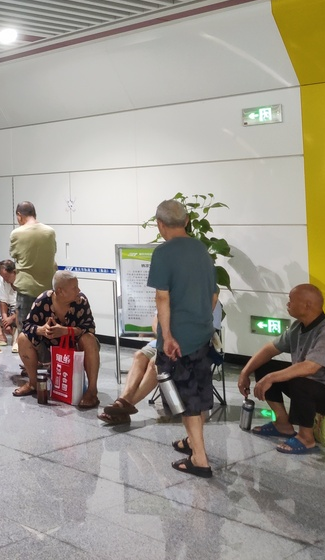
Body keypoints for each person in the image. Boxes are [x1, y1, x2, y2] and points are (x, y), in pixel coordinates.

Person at [237, 283, 325, 455]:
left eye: (291, 300)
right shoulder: (297, 327)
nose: (287, 304)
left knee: (299, 380)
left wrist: (271, 378)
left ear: (307, 305)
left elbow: (310, 368)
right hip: (314, 386)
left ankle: (306, 439)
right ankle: (283, 424)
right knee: (266, 366)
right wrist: (245, 372)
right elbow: (269, 349)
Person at [147, 198, 218, 478]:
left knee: (187, 398)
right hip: (202, 334)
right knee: (200, 392)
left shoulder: (163, 254)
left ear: (160, 224)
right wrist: (201, 321)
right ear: (187, 221)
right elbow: (214, 295)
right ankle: (191, 442)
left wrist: (168, 336)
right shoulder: (202, 250)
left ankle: (200, 459)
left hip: (179, 340)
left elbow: (162, 297)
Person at [14, 270, 100, 408]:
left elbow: (90, 328)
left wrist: (67, 331)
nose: (79, 290)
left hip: (74, 350)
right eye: (74, 287)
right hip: (49, 350)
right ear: (60, 291)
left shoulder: (81, 301)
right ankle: (33, 383)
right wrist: (41, 330)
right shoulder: (43, 300)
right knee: (23, 338)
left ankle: (92, 391)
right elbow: (27, 325)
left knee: (89, 339)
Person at [9, 201, 57, 338]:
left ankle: (29, 359)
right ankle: (45, 359)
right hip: (47, 290)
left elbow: (14, 254)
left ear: (19, 215)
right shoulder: (50, 232)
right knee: (47, 329)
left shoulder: (16, 233)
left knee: (26, 330)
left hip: (26, 289)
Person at [99, 337, 158, 424]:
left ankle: (123, 406)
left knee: (154, 363)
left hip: (181, 345)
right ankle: (124, 400)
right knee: (139, 355)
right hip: (162, 342)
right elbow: (156, 325)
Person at [0, 259, 19, 347]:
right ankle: (0, 336)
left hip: (19, 311)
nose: (5, 280)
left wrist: (12, 318)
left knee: (21, 315)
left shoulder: (23, 281)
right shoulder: (3, 279)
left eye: (6, 276)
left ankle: (17, 339)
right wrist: (5, 320)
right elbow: (3, 301)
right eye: (3, 277)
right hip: (9, 310)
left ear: (14, 272)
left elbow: (27, 306)